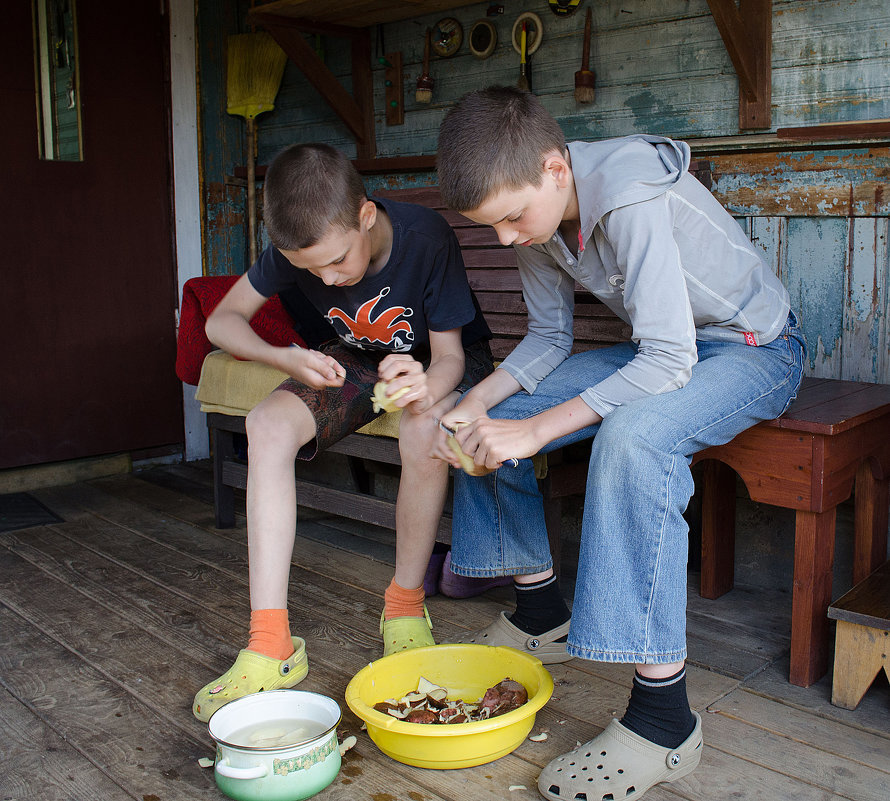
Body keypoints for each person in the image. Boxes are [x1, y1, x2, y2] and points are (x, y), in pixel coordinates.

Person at [435, 87, 805, 801]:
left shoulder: (629, 194)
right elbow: (548, 339)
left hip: (755, 352)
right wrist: (475, 401)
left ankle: (663, 720)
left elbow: (667, 363)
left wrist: (538, 429)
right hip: (672, 350)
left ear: (554, 167)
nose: (508, 237)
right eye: (494, 228)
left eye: (512, 218)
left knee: (634, 437)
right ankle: (540, 609)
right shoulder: (539, 223)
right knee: (489, 407)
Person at [192, 143, 492, 722]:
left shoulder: (425, 238)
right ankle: (269, 643)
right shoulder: (299, 246)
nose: (327, 278)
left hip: (443, 360)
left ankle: (404, 609)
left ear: (365, 216)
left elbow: (453, 357)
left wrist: (426, 384)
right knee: (266, 425)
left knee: (422, 426)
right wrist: (285, 358)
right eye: (309, 271)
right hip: (354, 357)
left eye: (336, 263)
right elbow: (221, 321)